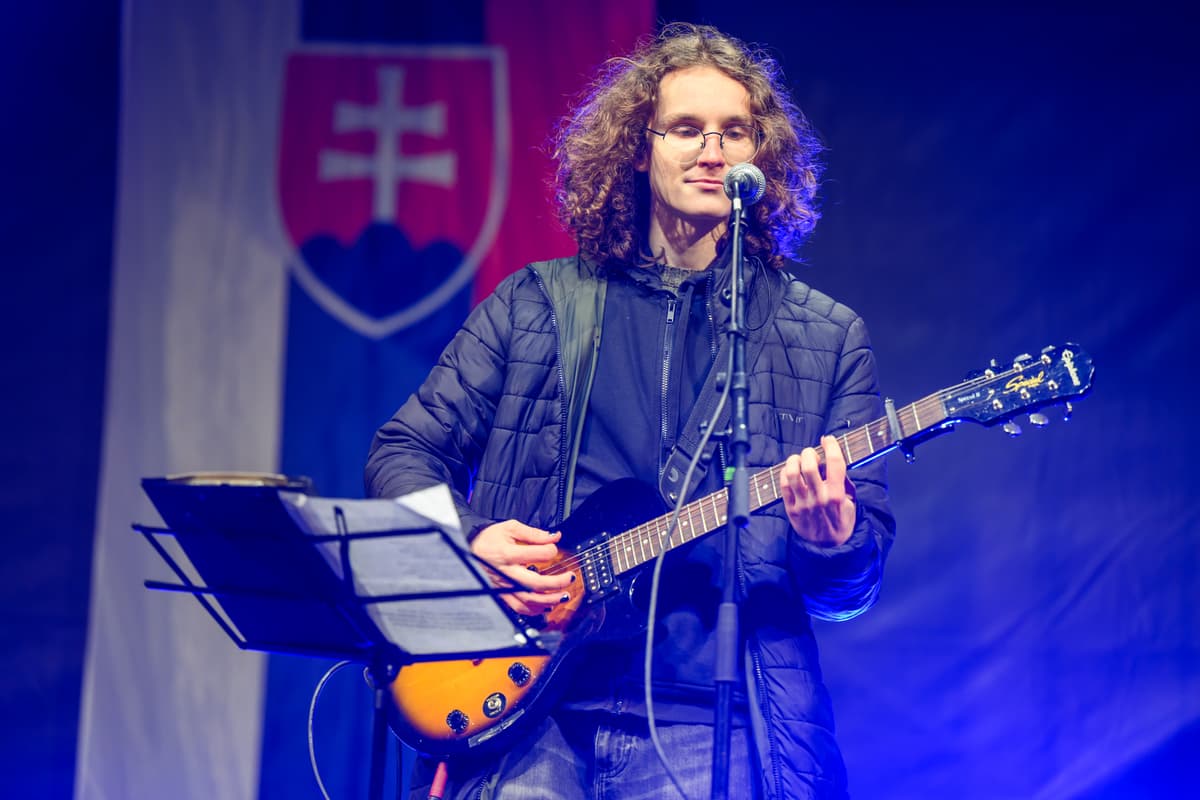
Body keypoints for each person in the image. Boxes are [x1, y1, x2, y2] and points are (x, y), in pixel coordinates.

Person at [366, 22, 895, 800]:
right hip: (527, 705)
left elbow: (850, 587)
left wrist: (832, 539)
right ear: (639, 149)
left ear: (762, 157)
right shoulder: (535, 304)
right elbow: (400, 454)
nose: (711, 150)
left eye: (735, 132)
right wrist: (474, 539)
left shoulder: (826, 336)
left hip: (710, 719)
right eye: (686, 129)